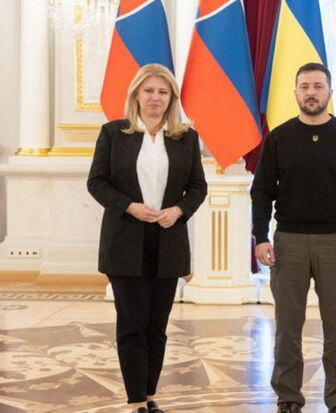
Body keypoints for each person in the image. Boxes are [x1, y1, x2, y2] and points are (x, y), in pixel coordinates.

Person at [251, 62, 336, 413]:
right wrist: (261, 236)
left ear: (330, 92)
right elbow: (262, 191)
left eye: (318, 86)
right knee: (287, 328)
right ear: (295, 92)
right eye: (304, 86)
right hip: (287, 242)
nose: (311, 92)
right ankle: (288, 397)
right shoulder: (279, 138)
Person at [87, 63, 207, 413]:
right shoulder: (113, 133)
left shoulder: (186, 138)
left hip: (168, 242)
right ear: (136, 95)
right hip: (125, 242)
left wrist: (179, 210)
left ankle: (150, 395)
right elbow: (97, 182)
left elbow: (197, 187)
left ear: (172, 99)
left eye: (163, 92)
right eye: (149, 91)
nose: (156, 98)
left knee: (157, 326)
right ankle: (136, 399)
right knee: (132, 324)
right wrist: (129, 207)